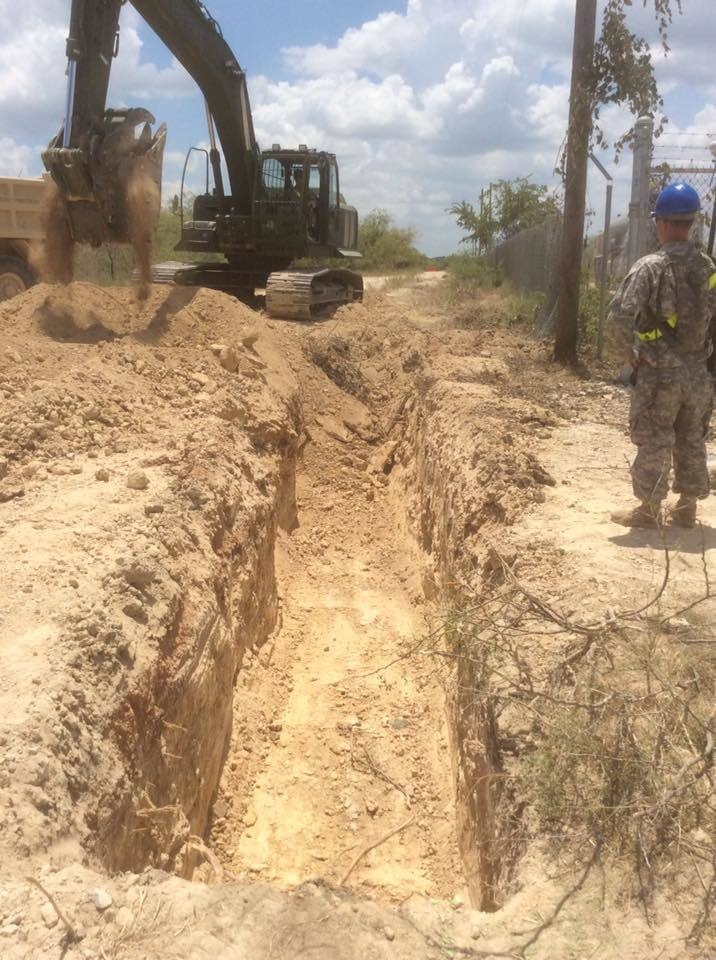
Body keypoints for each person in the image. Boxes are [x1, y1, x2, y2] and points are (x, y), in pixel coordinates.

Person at [609, 182, 716, 528]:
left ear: (664, 223)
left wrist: (629, 355)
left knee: (655, 436)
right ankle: (686, 508)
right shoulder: (708, 268)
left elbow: (619, 317)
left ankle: (649, 509)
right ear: (692, 223)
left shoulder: (650, 267)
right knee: (691, 436)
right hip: (698, 371)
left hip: (660, 371)